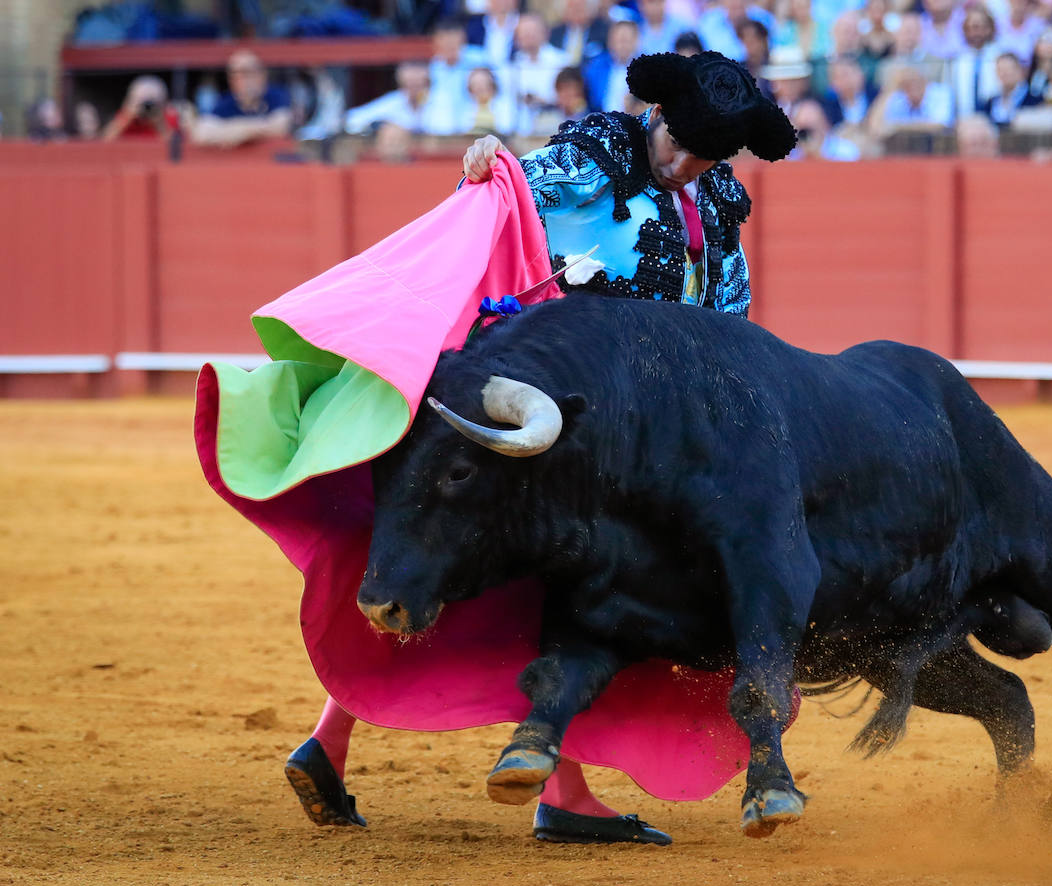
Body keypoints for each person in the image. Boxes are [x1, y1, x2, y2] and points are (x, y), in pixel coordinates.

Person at [285, 50, 797, 843]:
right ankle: (555, 793)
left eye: (704, 157)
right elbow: (504, 196)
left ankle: (336, 742)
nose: (683, 166)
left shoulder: (720, 202)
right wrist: (488, 159)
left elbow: (729, 325)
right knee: (536, 581)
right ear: (657, 116)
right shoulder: (596, 154)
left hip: (637, 437)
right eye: (678, 145)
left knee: (526, 585)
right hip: (549, 406)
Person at [191, 50, 293, 148]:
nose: (242, 80)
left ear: (262, 74)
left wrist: (233, 131)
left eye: (247, 72)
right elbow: (202, 133)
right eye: (235, 74)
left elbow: (281, 127)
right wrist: (258, 129)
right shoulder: (226, 102)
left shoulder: (277, 95)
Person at [343, 60, 455, 137]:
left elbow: (448, 128)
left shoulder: (441, 101)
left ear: (427, 83)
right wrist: (380, 126)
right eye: (408, 85)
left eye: (418, 84)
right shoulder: (394, 101)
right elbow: (352, 119)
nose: (414, 89)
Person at [102, 76, 180, 141]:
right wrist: (127, 117)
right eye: (142, 104)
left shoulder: (169, 118)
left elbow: (175, 146)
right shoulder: (125, 117)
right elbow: (104, 140)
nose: (146, 109)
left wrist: (160, 123)